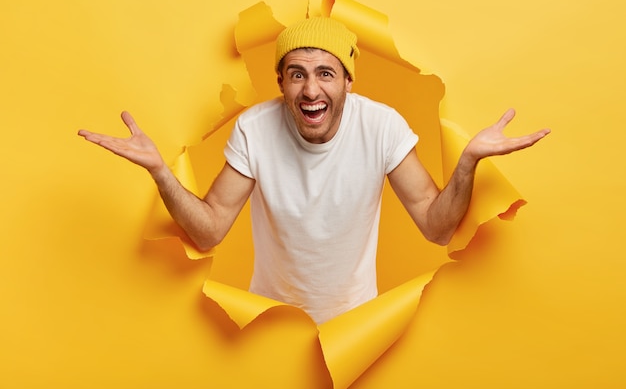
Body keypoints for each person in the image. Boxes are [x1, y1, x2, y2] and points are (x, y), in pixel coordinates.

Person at [78, 17, 550, 324]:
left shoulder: (381, 124)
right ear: (281, 82)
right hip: (270, 325)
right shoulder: (254, 128)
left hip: (356, 325)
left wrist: (467, 161)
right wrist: (161, 171)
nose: (310, 89)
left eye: (325, 73)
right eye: (297, 73)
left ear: (348, 80)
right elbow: (208, 231)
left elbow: (436, 225)